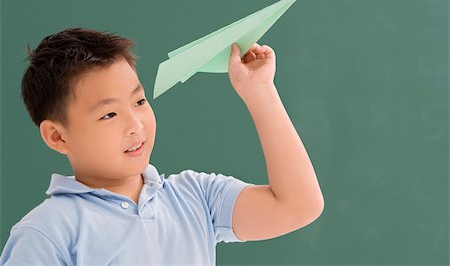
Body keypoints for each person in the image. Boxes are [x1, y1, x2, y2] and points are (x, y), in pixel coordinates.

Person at [0, 27, 324, 265]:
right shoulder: (45, 234)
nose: (136, 124)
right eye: (109, 114)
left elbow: (298, 205)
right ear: (57, 136)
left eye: (139, 101)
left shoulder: (195, 197)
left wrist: (259, 90)